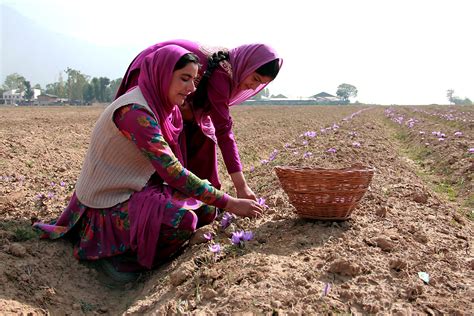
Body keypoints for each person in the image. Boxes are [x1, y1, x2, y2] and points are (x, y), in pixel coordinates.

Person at [33, 45, 264, 278]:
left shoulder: (166, 107)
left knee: (206, 208)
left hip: (136, 188)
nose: (192, 88)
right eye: (184, 79)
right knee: (184, 220)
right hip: (107, 201)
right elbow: (172, 171)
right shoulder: (136, 112)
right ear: (163, 75)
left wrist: (218, 199)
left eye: (194, 80)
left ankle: (147, 248)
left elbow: (177, 168)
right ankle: (118, 260)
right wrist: (231, 203)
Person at [116, 40, 282, 201]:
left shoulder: (230, 68)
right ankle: (143, 193)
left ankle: (199, 195)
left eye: (261, 84)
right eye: (255, 79)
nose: (253, 87)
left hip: (180, 101)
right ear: (248, 64)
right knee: (154, 145)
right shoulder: (222, 75)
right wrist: (241, 186)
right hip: (151, 78)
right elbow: (223, 130)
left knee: (202, 137)